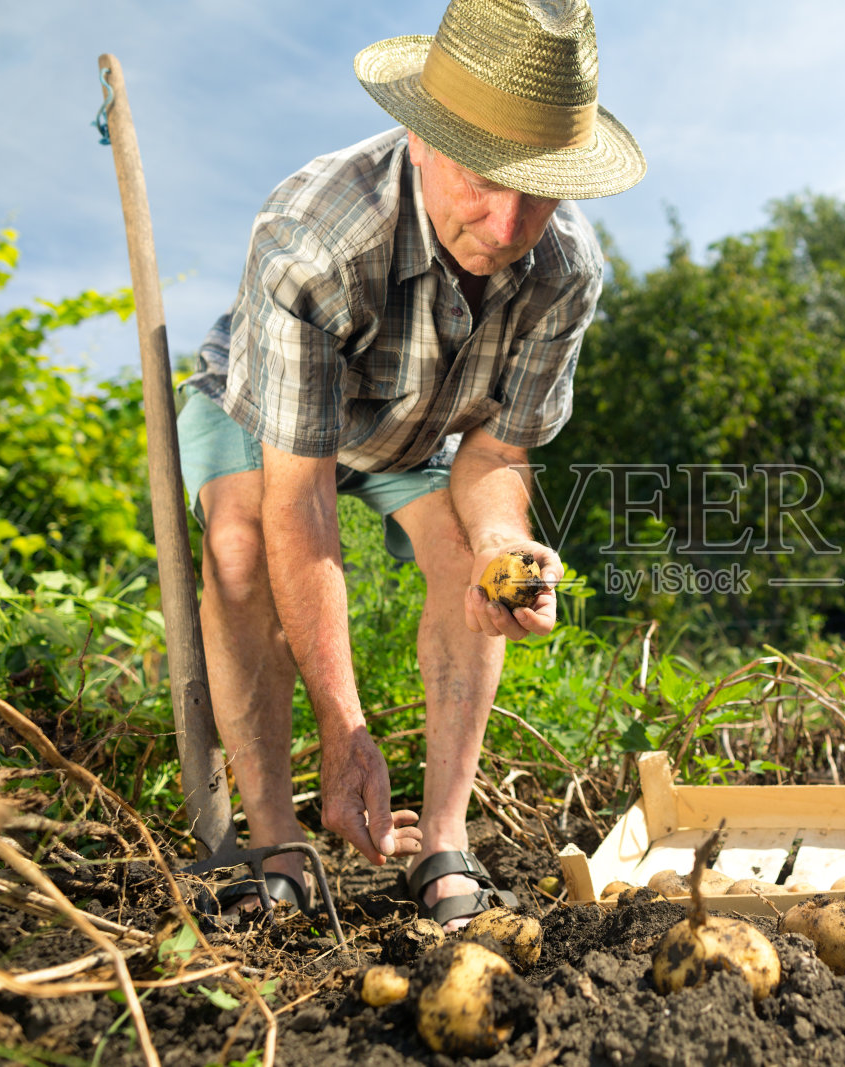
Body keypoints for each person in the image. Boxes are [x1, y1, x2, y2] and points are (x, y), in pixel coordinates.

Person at [176, 0, 644, 928]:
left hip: (418, 426)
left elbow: (498, 452)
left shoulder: (568, 269)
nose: (509, 224)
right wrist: (343, 726)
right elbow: (297, 495)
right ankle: (277, 840)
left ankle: (444, 838)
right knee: (235, 555)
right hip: (266, 408)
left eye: (540, 187)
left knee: (471, 567)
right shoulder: (315, 233)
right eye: (485, 179)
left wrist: (499, 537)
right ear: (423, 138)